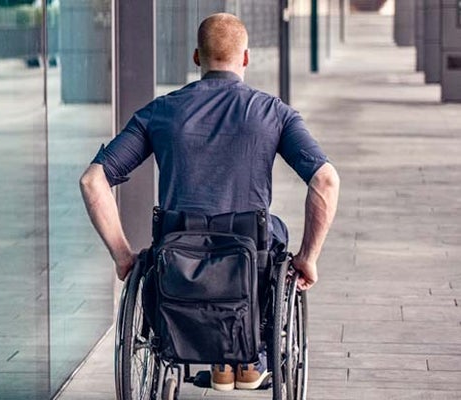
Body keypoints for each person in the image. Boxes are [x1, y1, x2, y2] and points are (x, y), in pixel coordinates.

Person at [79, 13, 339, 391]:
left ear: (197, 57)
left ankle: (222, 364)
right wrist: (308, 258)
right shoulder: (272, 112)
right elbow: (326, 180)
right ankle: (249, 361)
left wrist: (122, 256)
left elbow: (92, 181)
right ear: (245, 58)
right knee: (274, 233)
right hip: (247, 256)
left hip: (178, 259)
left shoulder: (160, 111)